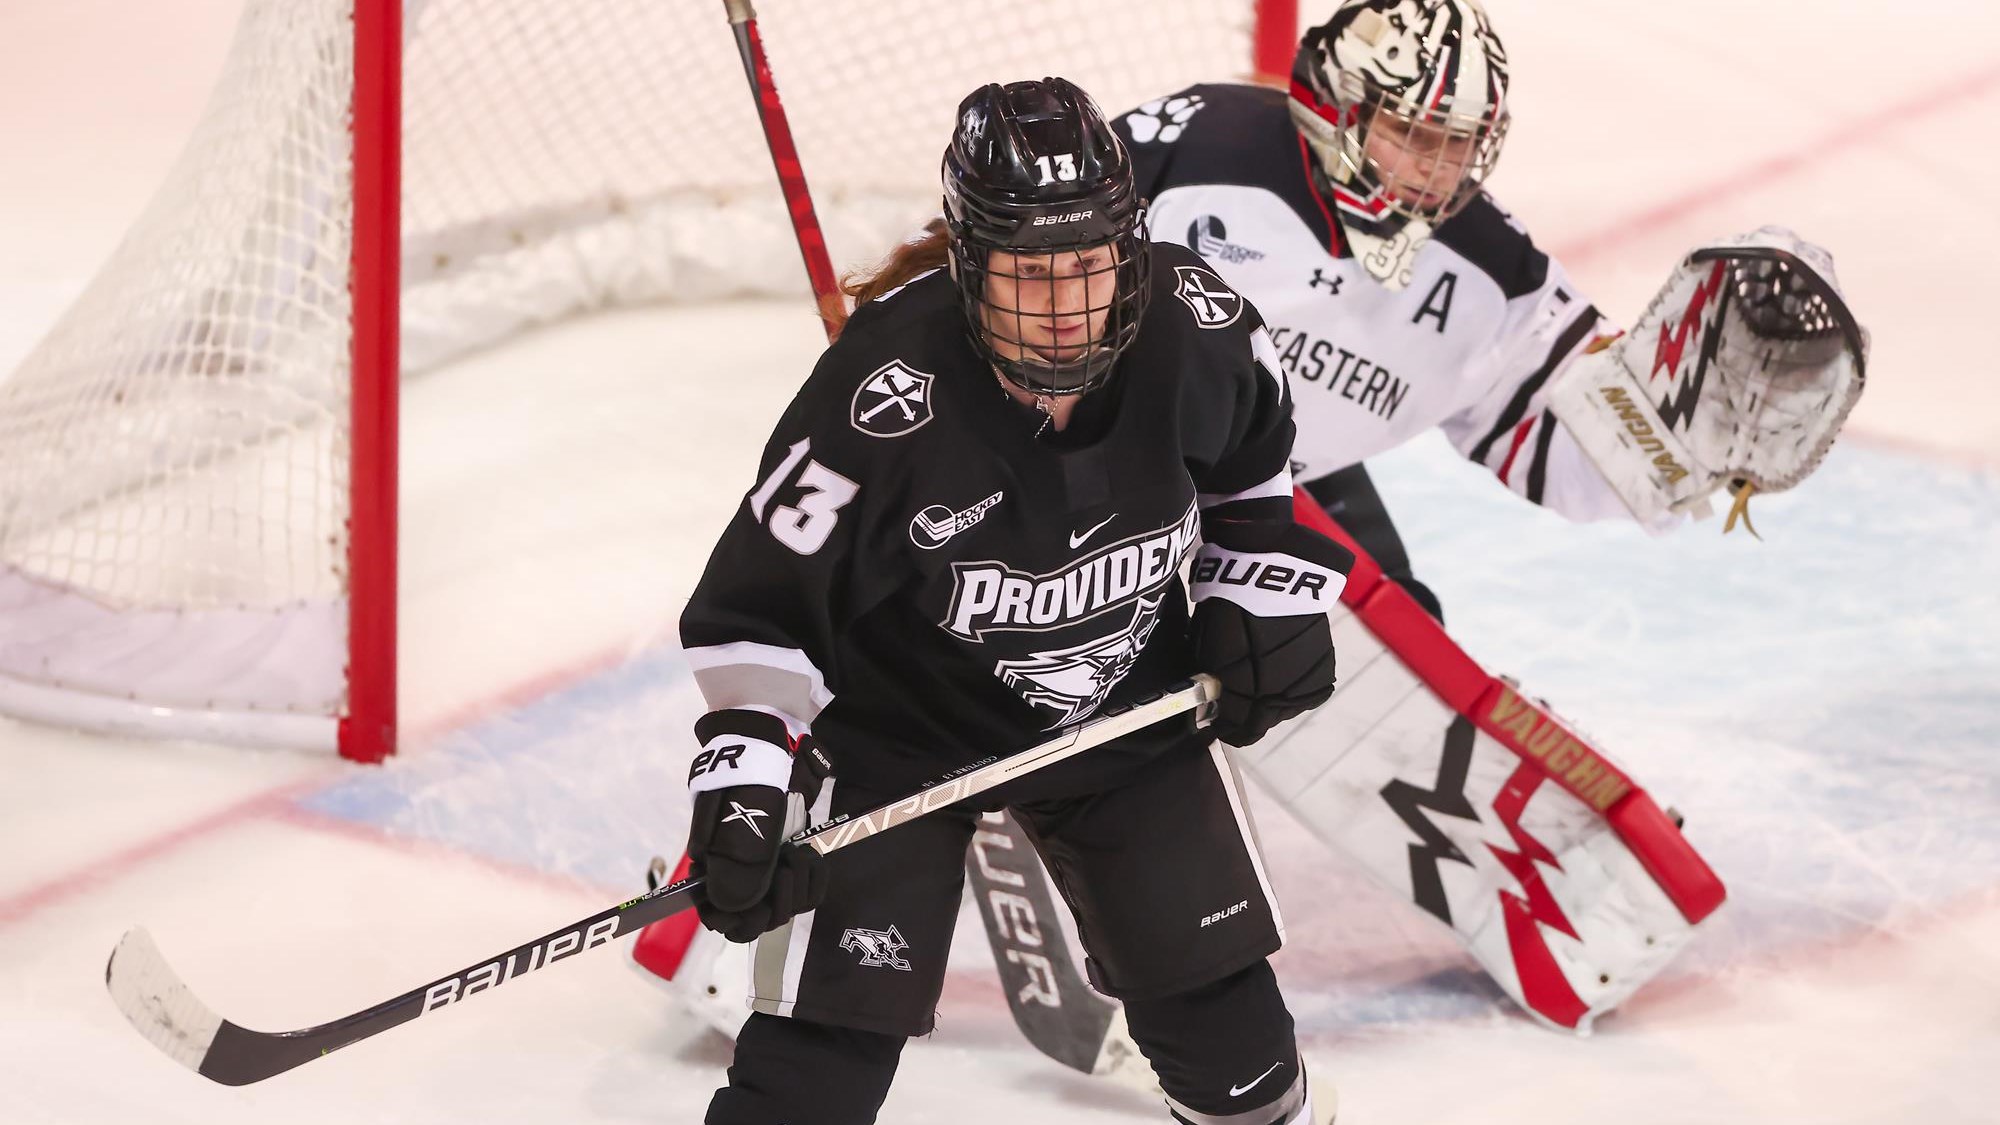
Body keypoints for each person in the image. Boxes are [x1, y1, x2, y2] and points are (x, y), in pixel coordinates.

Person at [677, 77, 1352, 1124]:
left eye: (1087, 266)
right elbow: (757, 611)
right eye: (1027, 273)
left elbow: (1253, 465)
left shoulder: (1198, 325)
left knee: (1238, 1057)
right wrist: (745, 777)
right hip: (897, 736)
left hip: (1121, 707)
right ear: (966, 263)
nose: (1063, 307)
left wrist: (1257, 592)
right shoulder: (881, 396)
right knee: (812, 1071)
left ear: (1129, 248)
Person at [1115, 0, 1641, 619]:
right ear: (1337, 108)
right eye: (1415, 133)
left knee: (1403, 637)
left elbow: (1574, 437)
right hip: (1111, 479)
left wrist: (1675, 437)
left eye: (1461, 141)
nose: (1437, 168)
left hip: (1281, 481)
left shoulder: (1491, 264)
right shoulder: (1192, 152)